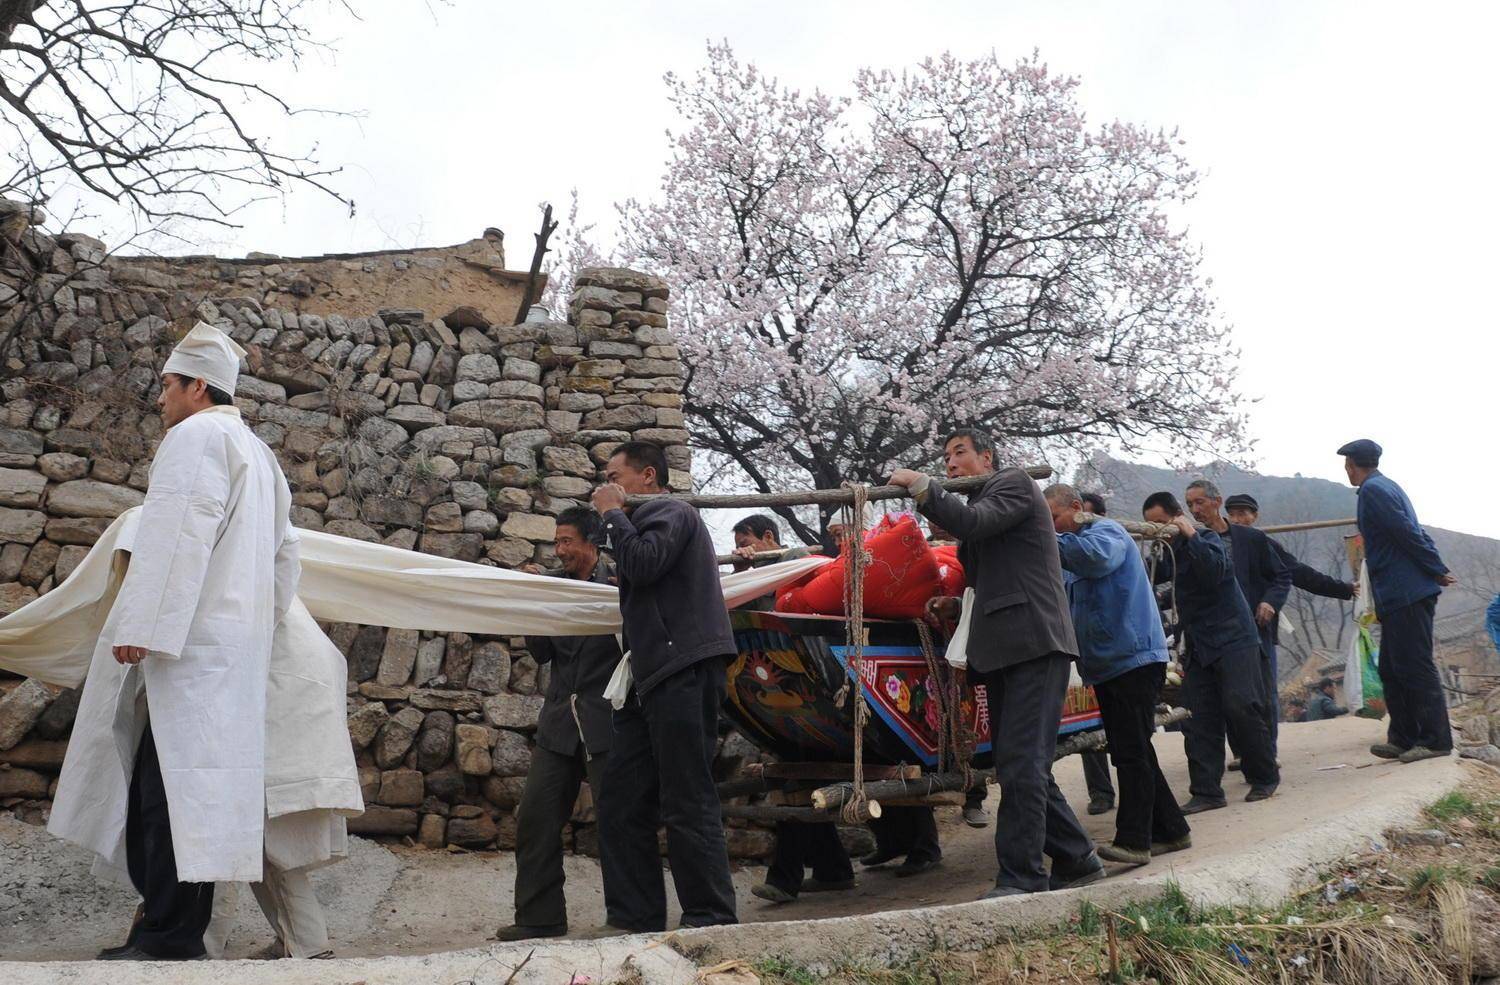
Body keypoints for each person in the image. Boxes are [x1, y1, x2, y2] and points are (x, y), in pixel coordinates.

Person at [48, 323, 300, 960]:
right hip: (228, 651)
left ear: (197, 387)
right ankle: (173, 930)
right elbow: (284, 560)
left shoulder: (196, 438)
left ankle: (168, 936)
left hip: (189, 650)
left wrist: (142, 624)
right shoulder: (259, 454)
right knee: (198, 794)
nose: (159, 399)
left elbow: (178, 534)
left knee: (164, 796)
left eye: (167, 386)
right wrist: (253, 635)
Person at [892, 429, 1101, 898]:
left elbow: (976, 523)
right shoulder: (989, 505)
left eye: (959, 453)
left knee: (1022, 764)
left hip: (1032, 641)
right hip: (1006, 647)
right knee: (1018, 763)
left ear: (987, 456)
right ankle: (1077, 857)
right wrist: (956, 606)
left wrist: (923, 487)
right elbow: (992, 574)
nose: (950, 464)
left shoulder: (1013, 482)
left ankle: (1023, 876)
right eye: (944, 458)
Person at [590, 441, 738, 931]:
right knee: (621, 799)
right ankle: (635, 917)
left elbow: (645, 563)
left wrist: (612, 515)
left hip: (684, 669)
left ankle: (710, 917)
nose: (607, 486)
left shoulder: (672, 511)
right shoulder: (647, 520)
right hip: (647, 674)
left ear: (648, 475)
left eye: (615, 476)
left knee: (686, 796)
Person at [1045, 484, 1190, 866]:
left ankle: (1134, 840)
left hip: (1133, 659)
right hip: (1109, 664)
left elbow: (1094, 559)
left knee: (1130, 752)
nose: (1051, 528)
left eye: (1053, 518)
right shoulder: (1069, 551)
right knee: (1134, 747)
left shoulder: (1105, 533)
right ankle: (1173, 830)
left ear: (1077, 509)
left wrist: (1039, 534)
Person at [497, 507, 623, 941]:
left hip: (606, 721)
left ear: (592, 542)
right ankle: (539, 916)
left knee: (618, 821)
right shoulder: (555, 585)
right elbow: (542, 653)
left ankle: (628, 915)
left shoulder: (617, 584)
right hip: (558, 725)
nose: (560, 550)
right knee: (535, 816)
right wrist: (533, 598)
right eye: (557, 542)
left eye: (568, 541)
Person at [734, 513, 855, 903]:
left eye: (748, 541)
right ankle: (832, 869)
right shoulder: (752, 573)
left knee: (798, 780)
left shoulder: (796, 560)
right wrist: (744, 572)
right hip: (787, 690)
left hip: (812, 682)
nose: (742, 549)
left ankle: (785, 878)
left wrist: (756, 571)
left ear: (768, 537)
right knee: (800, 777)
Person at [1141, 492, 1279, 813]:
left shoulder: (1206, 538)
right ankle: (1206, 791)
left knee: (1241, 706)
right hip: (1199, 644)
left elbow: (1217, 571)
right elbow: (1148, 576)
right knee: (1197, 717)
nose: (1158, 531)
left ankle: (1264, 776)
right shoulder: (1168, 553)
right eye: (1152, 527)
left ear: (1177, 518)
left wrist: (1189, 535)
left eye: (1161, 524)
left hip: (1235, 638)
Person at [1339, 439, 1456, 763]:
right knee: (1392, 667)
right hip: (1396, 593)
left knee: (1415, 666)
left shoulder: (1376, 491)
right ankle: (1403, 738)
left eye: (1346, 464)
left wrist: (1435, 567)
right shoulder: (1383, 487)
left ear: (1351, 465)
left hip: (1407, 591)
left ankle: (1435, 739)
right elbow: (1409, 531)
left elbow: (1407, 532)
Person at [1184, 480, 1291, 761]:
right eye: (1190, 505)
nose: (1195, 510)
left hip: (1255, 627)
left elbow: (1284, 575)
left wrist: (1269, 602)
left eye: (1200, 503)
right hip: (1215, 632)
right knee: (1228, 697)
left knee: (1262, 694)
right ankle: (1245, 753)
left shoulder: (1251, 540)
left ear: (1216, 502)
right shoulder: (1190, 542)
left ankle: (1266, 753)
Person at [1225, 494, 1356, 602]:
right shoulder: (1219, 543)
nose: (1236, 520)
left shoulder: (1264, 545)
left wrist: (1345, 589)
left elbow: (1301, 574)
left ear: (1254, 516)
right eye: (1232, 515)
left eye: (1242, 514)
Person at [1077, 491, 1119, 816]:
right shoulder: (1067, 552)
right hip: (1076, 651)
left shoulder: (1108, 541)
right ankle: (1101, 791)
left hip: (1112, 651)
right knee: (1084, 721)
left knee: (1119, 731)